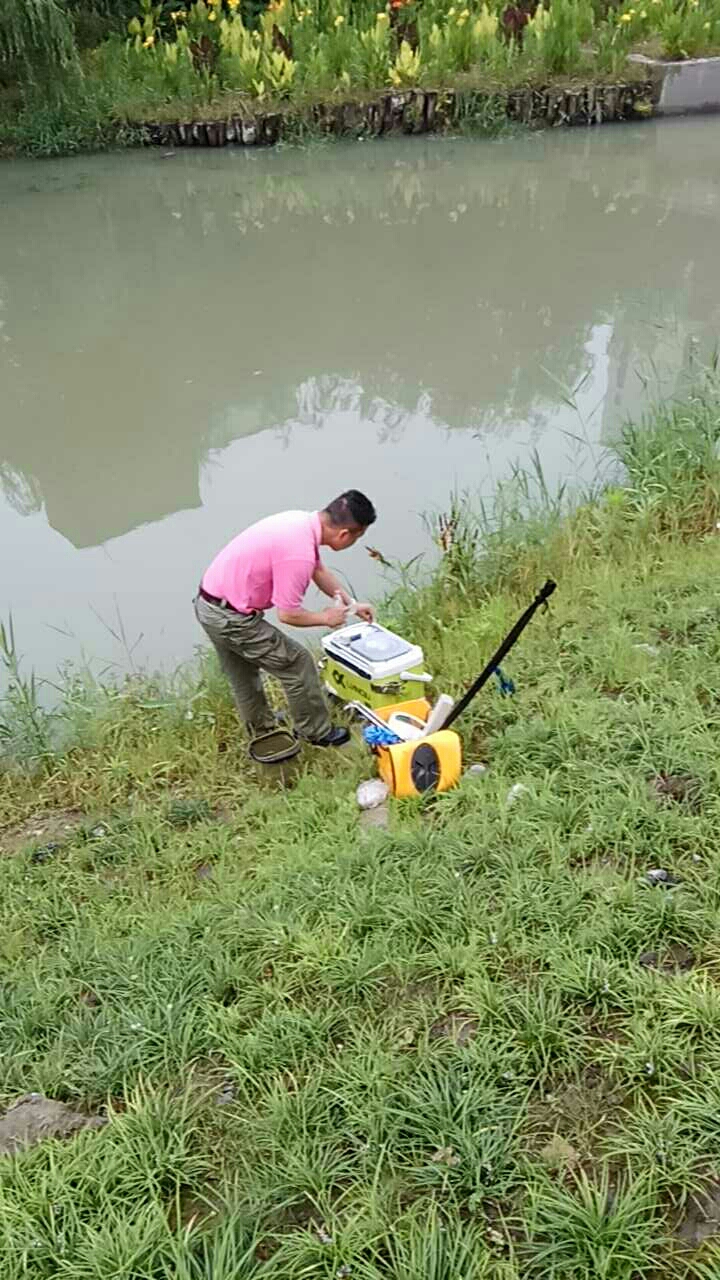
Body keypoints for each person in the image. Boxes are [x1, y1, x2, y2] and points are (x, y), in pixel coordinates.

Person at [194, 491, 377, 748]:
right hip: (230, 618)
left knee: (244, 676)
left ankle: (262, 731)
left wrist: (351, 605)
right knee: (297, 663)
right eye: (358, 537)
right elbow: (288, 614)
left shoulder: (300, 523)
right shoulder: (298, 551)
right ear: (345, 534)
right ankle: (316, 732)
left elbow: (318, 570)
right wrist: (326, 618)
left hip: (210, 603)